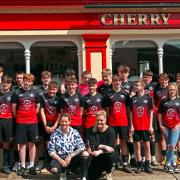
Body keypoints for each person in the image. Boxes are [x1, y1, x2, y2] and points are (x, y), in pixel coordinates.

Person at [11, 73, 40, 176]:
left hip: (32, 122)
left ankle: (31, 166)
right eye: (25, 80)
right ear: (23, 81)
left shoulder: (35, 92)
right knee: (22, 145)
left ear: (32, 82)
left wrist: (30, 115)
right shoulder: (16, 93)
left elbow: (37, 107)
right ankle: (22, 166)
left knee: (32, 144)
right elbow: (13, 109)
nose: (27, 82)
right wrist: (20, 116)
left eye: (29, 81)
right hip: (21, 122)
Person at [48, 113, 90, 180]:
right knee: (54, 170)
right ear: (59, 122)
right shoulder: (54, 134)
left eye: (66, 121)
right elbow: (51, 151)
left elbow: (82, 146)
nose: (64, 123)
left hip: (71, 158)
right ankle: (63, 172)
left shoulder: (74, 132)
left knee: (85, 154)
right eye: (62, 121)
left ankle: (83, 176)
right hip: (59, 158)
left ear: (69, 122)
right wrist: (60, 160)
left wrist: (70, 156)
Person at [104, 75, 132, 173]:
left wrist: (128, 120)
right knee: (113, 143)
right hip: (112, 122)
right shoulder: (108, 94)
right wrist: (108, 120)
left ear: (121, 82)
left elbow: (128, 109)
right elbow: (106, 109)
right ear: (112, 82)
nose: (117, 83)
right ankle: (114, 162)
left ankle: (125, 163)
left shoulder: (125, 94)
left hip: (123, 122)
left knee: (124, 142)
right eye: (115, 81)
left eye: (119, 81)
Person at [129, 79, 154, 174]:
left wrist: (150, 125)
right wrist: (131, 125)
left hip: (146, 126)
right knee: (137, 146)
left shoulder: (148, 98)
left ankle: (147, 165)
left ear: (142, 86)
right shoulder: (133, 98)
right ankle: (139, 165)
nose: (135, 87)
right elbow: (131, 113)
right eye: (135, 85)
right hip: (136, 126)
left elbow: (151, 112)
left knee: (147, 146)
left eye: (137, 85)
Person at [87, 110, 118, 180]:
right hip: (97, 155)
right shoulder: (92, 130)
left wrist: (99, 151)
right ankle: (103, 168)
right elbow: (92, 143)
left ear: (105, 120)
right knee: (91, 176)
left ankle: (108, 172)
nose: (99, 122)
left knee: (110, 155)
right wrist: (104, 146)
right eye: (97, 120)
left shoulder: (110, 131)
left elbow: (110, 147)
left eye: (101, 120)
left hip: (109, 154)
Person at [158, 83, 180, 173]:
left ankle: (167, 164)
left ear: (176, 91)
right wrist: (160, 125)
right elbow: (159, 114)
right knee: (169, 145)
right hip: (165, 126)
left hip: (175, 127)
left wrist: (178, 125)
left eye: (173, 90)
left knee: (172, 145)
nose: (172, 91)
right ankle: (173, 163)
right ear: (168, 90)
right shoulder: (163, 101)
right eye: (170, 89)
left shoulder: (179, 100)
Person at [117, 64, 136, 167]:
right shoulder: (116, 83)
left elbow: (132, 96)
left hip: (129, 112)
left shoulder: (131, 84)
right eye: (121, 72)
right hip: (120, 114)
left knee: (129, 136)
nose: (123, 74)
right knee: (119, 138)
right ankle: (119, 158)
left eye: (125, 72)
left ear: (128, 73)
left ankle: (132, 156)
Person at [40, 80, 61, 167]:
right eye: (50, 89)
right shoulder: (43, 97)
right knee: (48, 144)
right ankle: (48, 163)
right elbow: (42, 111)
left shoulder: (59, 98)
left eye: (54, 89)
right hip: (47, 124)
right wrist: (45, 125)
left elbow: (60, 113)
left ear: (57, 90)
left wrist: (55, 126)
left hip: (56, 124)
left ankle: (55, 163)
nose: (52, 91)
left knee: (57, 143)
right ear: (47, 89)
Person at [36, 70, 52, 171]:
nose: (46, 80)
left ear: (50, 79)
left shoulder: (54, 89)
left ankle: (50, 161)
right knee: (41, 140)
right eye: (44, 78)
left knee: (50, 141)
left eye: (47, 78)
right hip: (40, 120)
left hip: (51, 120)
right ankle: (41, 161)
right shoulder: (37, 90)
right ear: (41, 79)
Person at [142, 70, 159, 166]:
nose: (147, 78)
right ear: (143, 77)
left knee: (152, 136)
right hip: (141, 114)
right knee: (142, 137)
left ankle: (153, 157)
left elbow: (158, 97)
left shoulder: (155, 86)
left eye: (148, 77)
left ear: (151, 78)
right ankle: (143, 158)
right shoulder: (139, 86)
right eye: (145, 77)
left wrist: (155, 106)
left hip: (151, 114)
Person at [154, 73, 169, 165]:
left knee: (175, 138)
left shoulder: (171, 89)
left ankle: (177, 157)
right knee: (162, 137)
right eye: (162, 79)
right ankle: (164, 157)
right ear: (159, 80)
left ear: (168, 80)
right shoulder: (156, 89)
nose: (163, 81)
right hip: (160, 116)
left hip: (172, 116)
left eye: (165, 80)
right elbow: (154, 103)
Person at [0, 75, 13, 174]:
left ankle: (6, 165)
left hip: (8, 121)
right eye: (4, 82)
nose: (5, 84)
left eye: (8, 82)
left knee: (6, 144)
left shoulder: (13, 94)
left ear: (10, 84)